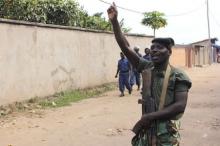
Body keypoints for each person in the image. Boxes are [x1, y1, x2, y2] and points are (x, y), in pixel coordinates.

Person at [108, 3, 192, 146]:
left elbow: (180, 106)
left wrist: (150, 116)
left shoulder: (178, 75)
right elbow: (126, 47)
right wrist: (115, 21)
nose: (154, 50)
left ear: (169, 52)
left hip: (166, 134)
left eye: (159, 48)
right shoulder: (146, 67)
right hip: (147, 132)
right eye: (152, 48)